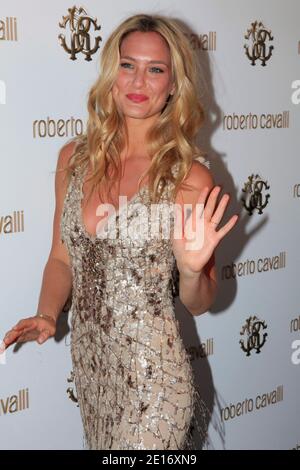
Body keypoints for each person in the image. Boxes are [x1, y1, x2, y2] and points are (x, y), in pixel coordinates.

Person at [1, 13, 238, 449]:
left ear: (173, 85)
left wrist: (189, 271)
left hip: (155, 380)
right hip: (93, 372)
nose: (139, 81)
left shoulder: (189, 179)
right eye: (128, 65)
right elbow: (60, 257)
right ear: (111, 72)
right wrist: (48, 313)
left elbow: (203, 301)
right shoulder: (73, 158)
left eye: (155, 70)